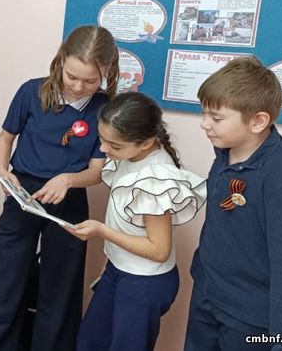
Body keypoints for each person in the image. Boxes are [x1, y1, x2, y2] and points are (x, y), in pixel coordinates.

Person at [0, 25, 120, 351]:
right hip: (23, 194)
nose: (79, 87)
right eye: (72, 76)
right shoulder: (31, 92)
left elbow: (96, 172)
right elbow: (5, 139)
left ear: (106, 72)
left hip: (69, 198)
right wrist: (3, 171)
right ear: (60, 61)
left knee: (60, 288)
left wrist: (69, 180)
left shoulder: (104, 108)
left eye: (91, 81)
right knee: (2, 281)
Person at [68, 92, 206, 351]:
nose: (104, 149)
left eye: (114, 145)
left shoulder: (154, 180)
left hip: (144, 281)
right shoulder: (131, 157)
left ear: (146, 142)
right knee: (90, 340)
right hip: (119, 270)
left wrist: (102, 231)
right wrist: (110, 258)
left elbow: (159, 250)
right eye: (102, 139)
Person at [185, 56, 282, 350]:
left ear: (258, 121)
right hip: (208, 296)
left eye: (216, 118)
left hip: (250, 318)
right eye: (204, 113)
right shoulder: (224, 150)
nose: (204, 124)